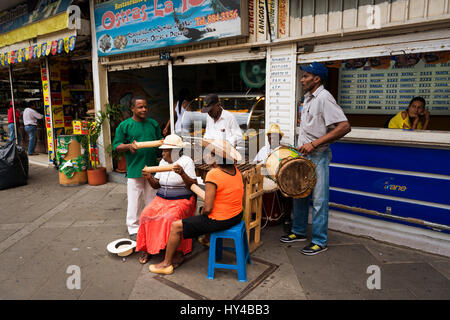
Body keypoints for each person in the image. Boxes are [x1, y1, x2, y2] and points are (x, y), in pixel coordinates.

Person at [280, 62, 351, 256]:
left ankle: (320, 241)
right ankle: (299, 231)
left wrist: (314, 143)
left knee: (319, 200)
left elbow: (344, 126)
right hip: (304, 156)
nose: (302, 80)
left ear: (316, 79)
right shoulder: (309, 98)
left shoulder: (324, 97)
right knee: (300, 194)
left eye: (305, 76)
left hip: (317, 156)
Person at [148, 139, 244, 275]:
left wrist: (203, 213)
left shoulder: (214, 174)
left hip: (221, 220)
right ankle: (206, 239)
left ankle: (166, 263)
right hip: (236, 215)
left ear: (215, 158)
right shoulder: (235, 171)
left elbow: (208, 208)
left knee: (176, 226)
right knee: (201, 212)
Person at [136, 134, 198, 264]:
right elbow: (156, 184)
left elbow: (193, 184)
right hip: (161, 199)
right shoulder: (163, 162)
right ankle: (147, 247)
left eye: (165, 150)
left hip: (182, 199)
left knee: (171, 217)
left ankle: (176, 251)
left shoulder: (186, 161)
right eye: (163, 150)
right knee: (146, 214)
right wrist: (149, 177)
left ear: (175, 151)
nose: (162, 153)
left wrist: (182, 173)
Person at [113, 96, 164, 240]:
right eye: (140, 107)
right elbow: (117, 146)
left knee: (152, 200)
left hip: (152, 168)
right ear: (132, 109)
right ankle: (133, 228)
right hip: (135, 169)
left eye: (145, 107)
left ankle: (151, 224)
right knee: (134, 201)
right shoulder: (125, 125)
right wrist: (129, 146)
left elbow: (159, 142)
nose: (144, 110)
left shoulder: (153, 124)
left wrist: (164, 143)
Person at [253, 123, 293, 232]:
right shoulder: (263, 150)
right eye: (270, 137)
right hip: (266, 178)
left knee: (287, 190)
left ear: (280, 138)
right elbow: (256, 164)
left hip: (281, 179)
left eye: (275, 137)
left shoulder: (284, 150)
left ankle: (287, 218)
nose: (272, 139)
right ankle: (257, 215)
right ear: (268, 138)